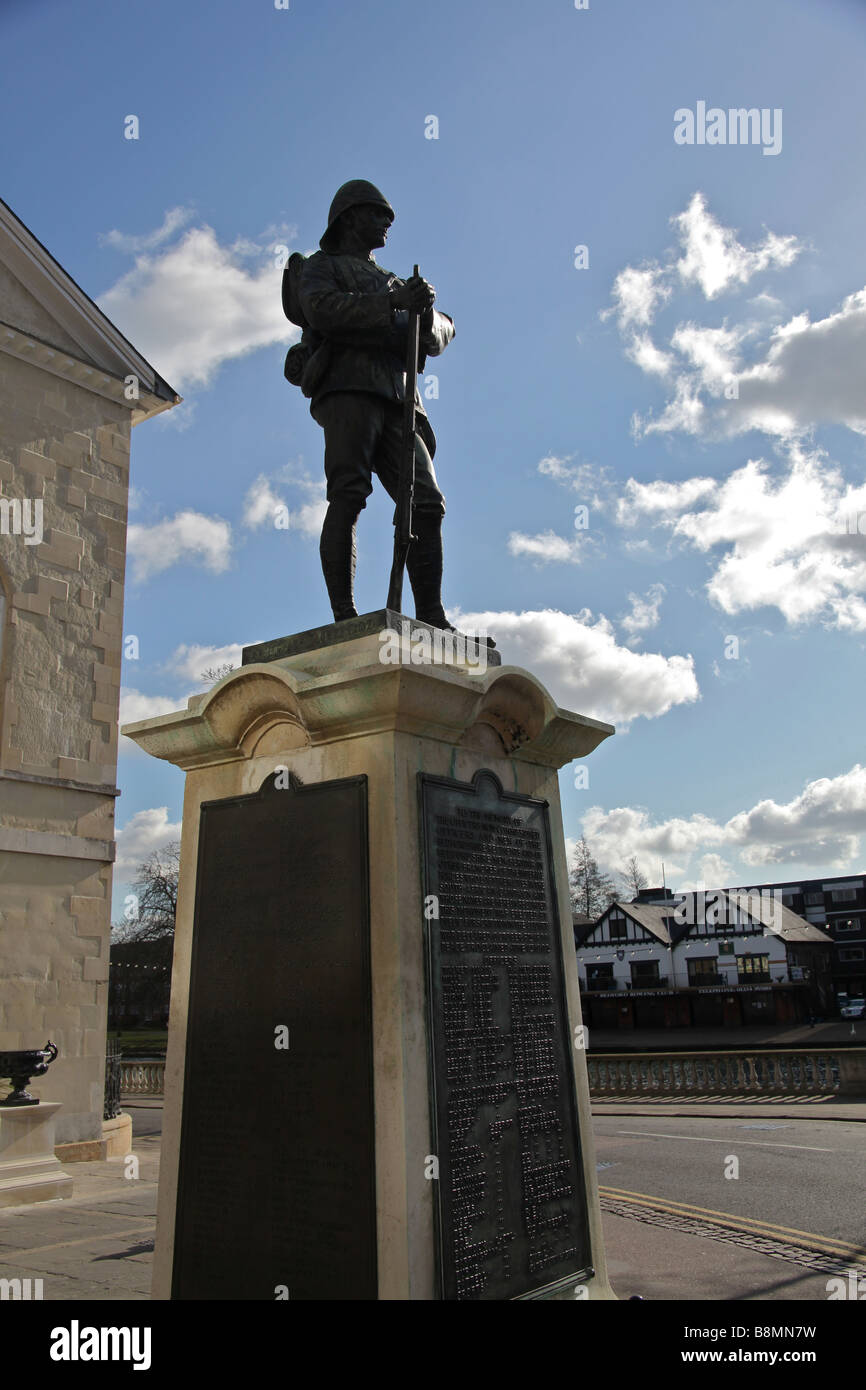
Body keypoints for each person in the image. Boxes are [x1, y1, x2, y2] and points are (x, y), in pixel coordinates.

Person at [297, 180, 455, 626]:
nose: (388, 222)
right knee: (348, 496)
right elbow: (323, 309)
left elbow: (443, 332)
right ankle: (344, 616)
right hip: (348, 389)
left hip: (401, 400)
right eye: (376, 213)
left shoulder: (396, 280)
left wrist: (426, 310)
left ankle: (431, 615)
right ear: (348, 218)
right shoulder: (320, 267)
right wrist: (390, 304)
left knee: (426, 501)